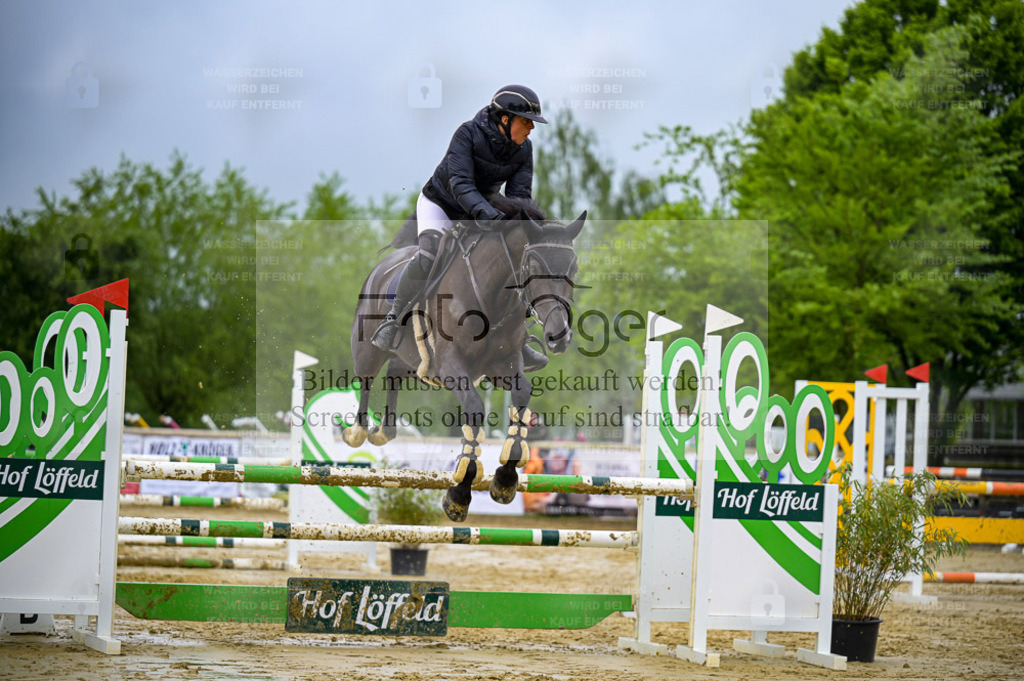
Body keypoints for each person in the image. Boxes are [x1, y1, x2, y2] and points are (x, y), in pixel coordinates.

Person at [371, 84, 550, 372]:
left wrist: (516, 228)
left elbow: (519, 199)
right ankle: (392, 320)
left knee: (513, 260)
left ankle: (520, 339)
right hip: (441, 205)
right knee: (429, 254)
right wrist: (491, 217)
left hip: (482, 210)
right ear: (505, 119)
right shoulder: (467, 134)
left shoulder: (523, 149)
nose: (531, 128)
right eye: (526, 121)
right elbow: (461, 185)